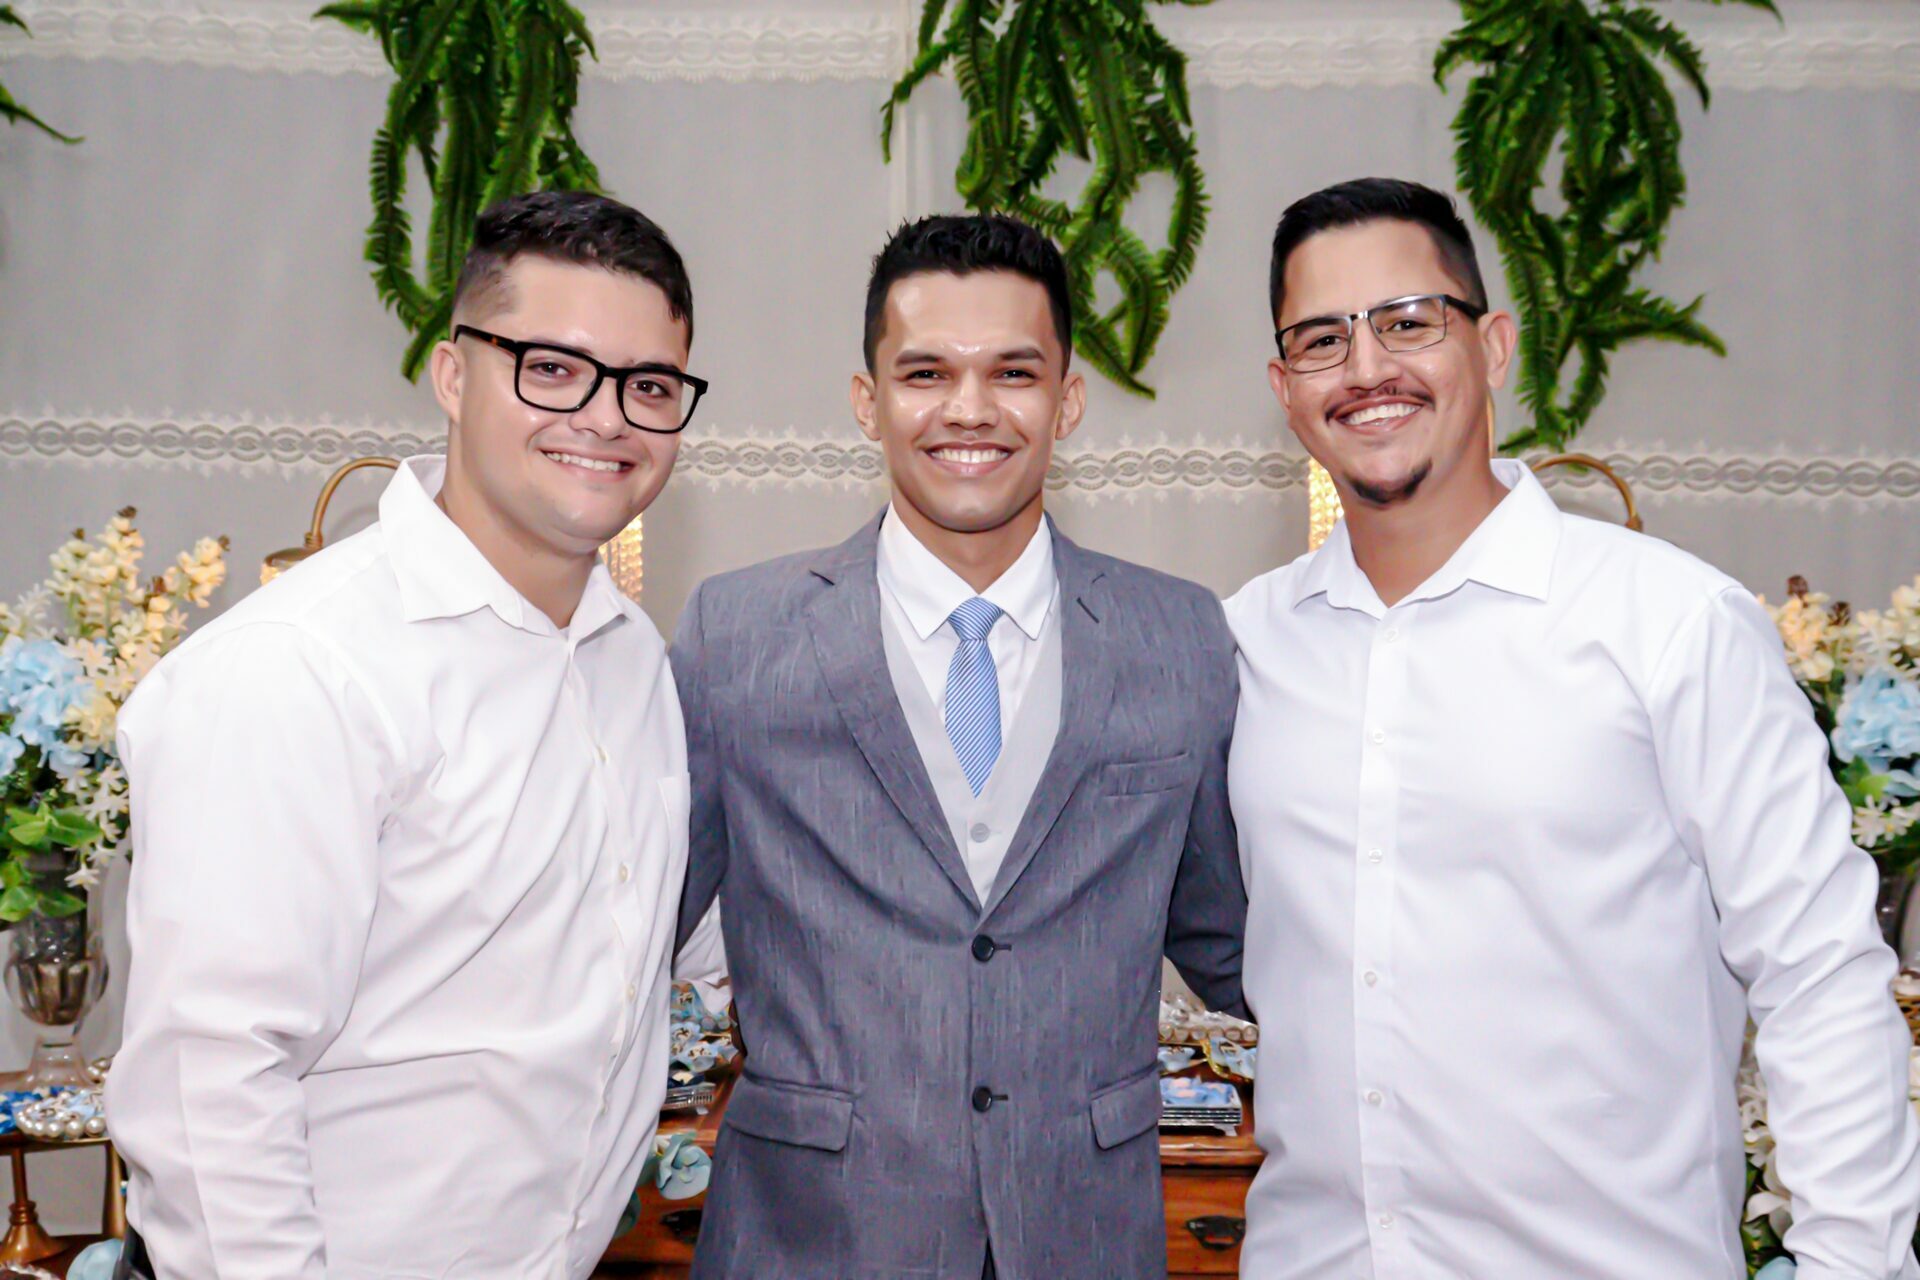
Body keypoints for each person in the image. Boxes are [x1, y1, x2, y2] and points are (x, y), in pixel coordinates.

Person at [1226, 176, 1920, 1279]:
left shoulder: (1670, 623)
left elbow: (1820, 973)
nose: (1366, 368)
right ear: (1284, 386)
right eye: (1322, 339)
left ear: (1493, 346)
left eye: (1408, 322)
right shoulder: (1246, 644)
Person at [108, 190, 719, 1279]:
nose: (605, 416)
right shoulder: (300, 665)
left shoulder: (631, 656)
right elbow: (212, 1086)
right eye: (552, 367)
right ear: (453, 375)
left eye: (649, 385)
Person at [671, 213, 1246, 1279]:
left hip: (1080, 1240)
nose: (970, 409)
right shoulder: (734, 636)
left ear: (1068, 400)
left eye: (1013, 372)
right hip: (809, 1242)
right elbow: (626, 939)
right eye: (926, 372)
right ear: (869, 400)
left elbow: (1242, 948)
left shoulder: (1182, 636)